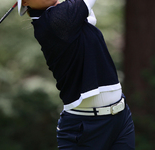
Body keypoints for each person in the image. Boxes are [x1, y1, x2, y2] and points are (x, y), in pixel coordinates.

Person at [18, 0, 135, 149]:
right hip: (85, 128)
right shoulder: (56, 20)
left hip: (121, 118)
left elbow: (89, 18)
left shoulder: (64, 18)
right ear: (26, 2)